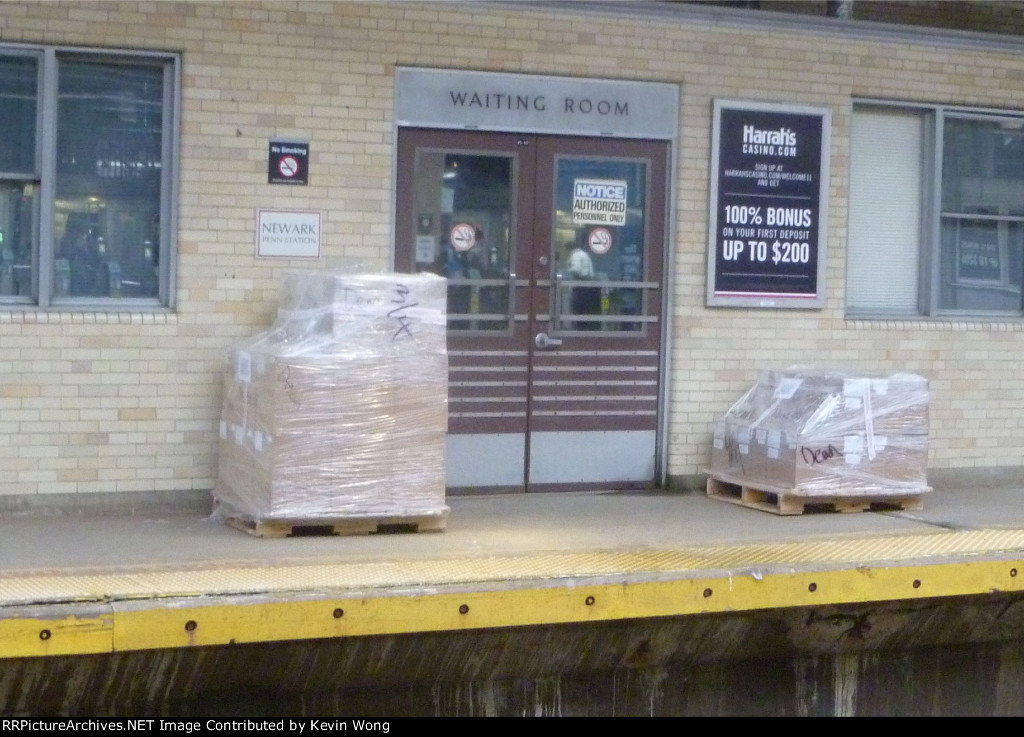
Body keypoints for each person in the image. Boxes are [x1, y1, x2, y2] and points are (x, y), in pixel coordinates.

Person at [564, 240, 600, 330]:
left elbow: (576, 269)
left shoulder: (576, 255)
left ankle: (578, 327)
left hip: (580, 286)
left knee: (577, 307)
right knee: (585, 308)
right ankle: (584, 326)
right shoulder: (584, 254)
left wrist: (566, 271)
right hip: (588, 286)